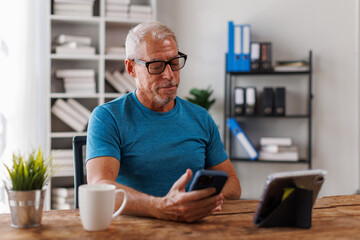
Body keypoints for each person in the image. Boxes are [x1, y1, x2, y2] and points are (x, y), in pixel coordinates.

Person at [86, 21, 241, 223]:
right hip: (134, 231)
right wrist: (162, 207)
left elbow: (233, 183)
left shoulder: (200, 117)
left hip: (194, 228)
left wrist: (205, 198)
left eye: (174, 63)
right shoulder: (107, 117)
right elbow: (100, 187)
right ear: (131, 68)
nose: (170, 75)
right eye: (156, 66)